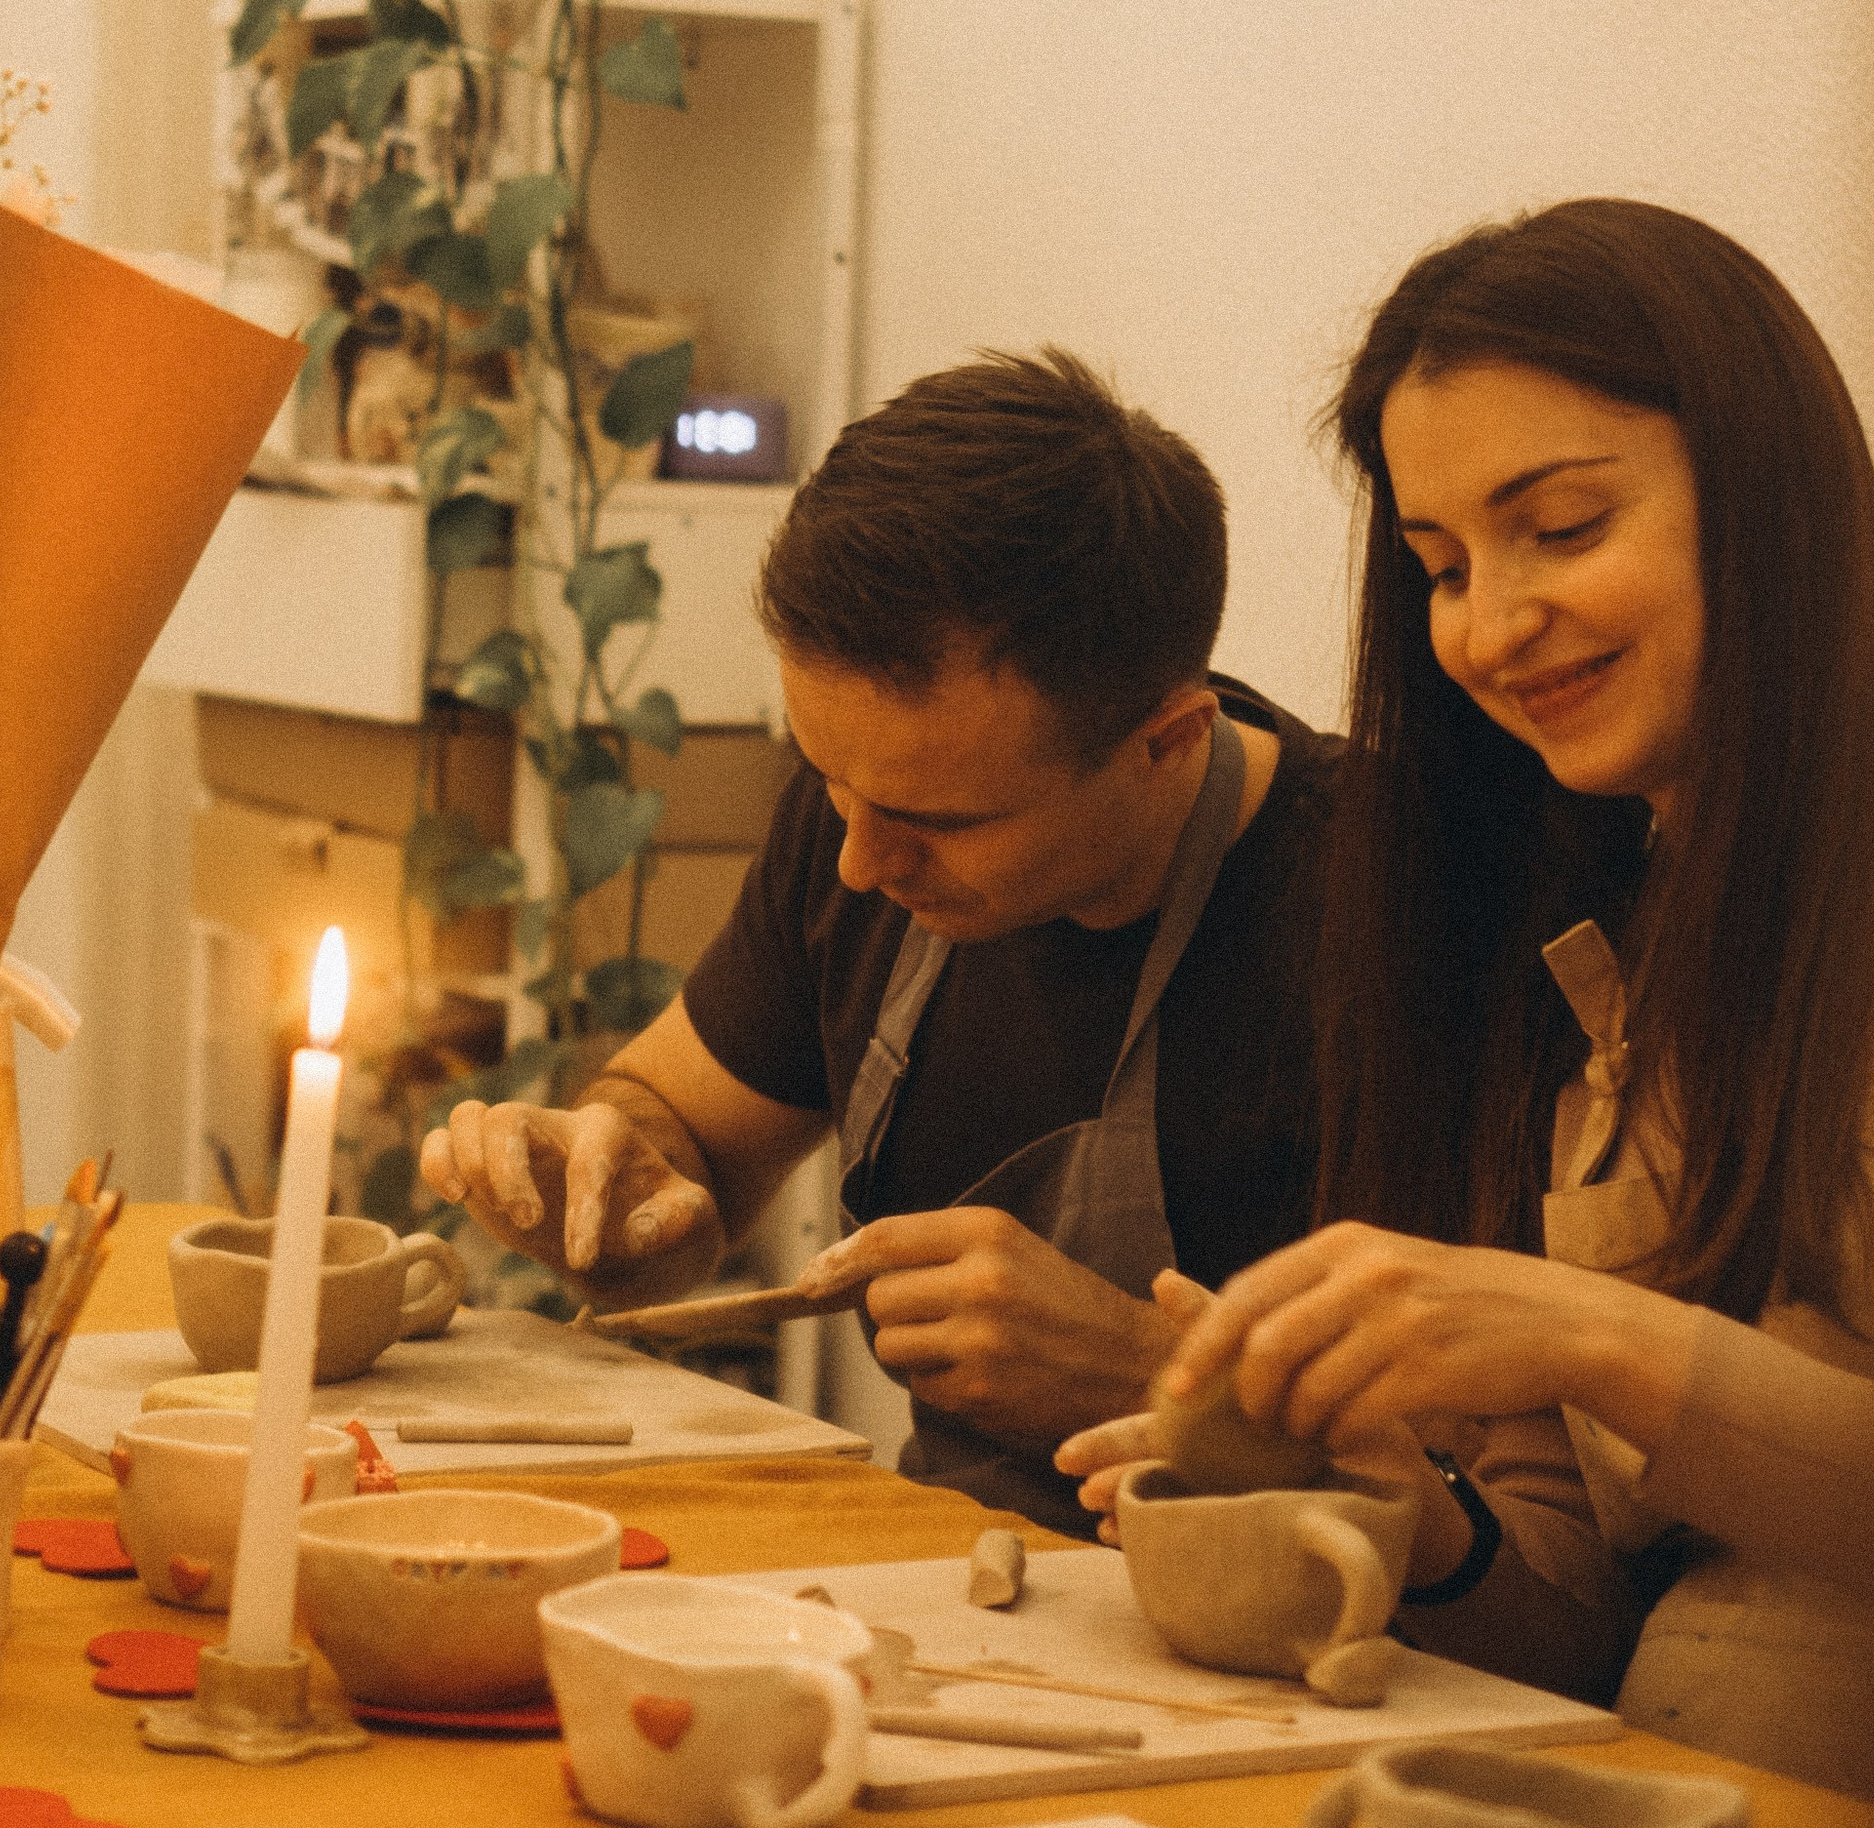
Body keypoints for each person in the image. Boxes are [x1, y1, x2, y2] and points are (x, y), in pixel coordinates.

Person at [1059, 201, 1874, 1804]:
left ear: (1771, 503)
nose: (1490, 625)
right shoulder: (1571, 942)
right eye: (1440, 567)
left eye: (1566, 528)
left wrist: (1590, 1336)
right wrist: (1410, 1510)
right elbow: (1575, 1625)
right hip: (1637, 1815)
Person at [421, 349, 1342, 1527]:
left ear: (1167, 740)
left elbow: (1512, 1506)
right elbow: (686, 1134)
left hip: (1285, 1637)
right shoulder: (866, 802)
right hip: (961, 1571)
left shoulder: (1372, 907)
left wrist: (1148, 1372)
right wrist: (616, 1181)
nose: (861, 862)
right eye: (829, 782)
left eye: (937, 822)